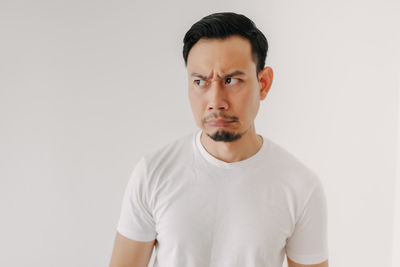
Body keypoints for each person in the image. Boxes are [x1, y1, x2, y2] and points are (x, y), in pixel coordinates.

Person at [109, 12, 329, 267]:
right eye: (200, 81)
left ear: (263, 83)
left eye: (231, 80)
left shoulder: (300, 186)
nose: (216, 101)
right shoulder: (153, 173)